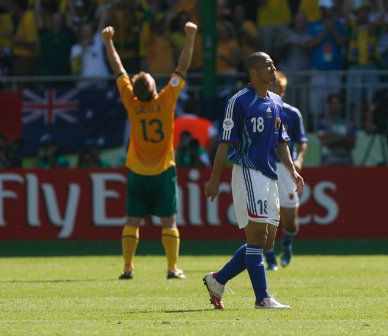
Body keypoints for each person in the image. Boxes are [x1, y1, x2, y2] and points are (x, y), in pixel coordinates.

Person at [203, 52, 304, 310]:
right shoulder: (239, 101)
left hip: (270, 174)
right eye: (267, 65)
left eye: (273, 63)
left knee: (267, 241)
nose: (273, 68)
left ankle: (218, 280)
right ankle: (263, 298)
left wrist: (292, 172)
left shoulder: (277, 102)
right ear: (253, 72)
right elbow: (225, 143)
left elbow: (282, 141)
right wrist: (214, 178)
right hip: (248, 171)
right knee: (257, 237)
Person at [101, 20, 198, 280]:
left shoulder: (131, 102)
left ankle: (128, 267)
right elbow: (183, 67)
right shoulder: (166, 100)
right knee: (168, 221)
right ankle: (171, 267)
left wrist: (109, 41)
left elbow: (117, 68)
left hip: (137, 171)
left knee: (132, 220)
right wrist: (190, 36)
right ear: (155, 89)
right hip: (164, 170)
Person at [263, 71, 308, 270]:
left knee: (289, 219)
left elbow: (302, 141)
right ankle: (269, 256)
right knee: (265, 215)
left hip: (285, 168)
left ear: (282, 89)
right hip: (264, 165)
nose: (271, 89)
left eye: (275, 86)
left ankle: (287, 243)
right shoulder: (259, 111)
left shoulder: (292, 113)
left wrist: (299, 159)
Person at [317, 93, 357, 166]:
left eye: (337, 103)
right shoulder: (322, 123)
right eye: (332, 103)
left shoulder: (349, 124)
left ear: (341, 105)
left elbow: (352, 144)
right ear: (328, 105)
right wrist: (344, 138)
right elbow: (326, 141)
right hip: (328, 161)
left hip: (346, 161)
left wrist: (333, 138)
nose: (335, 106)